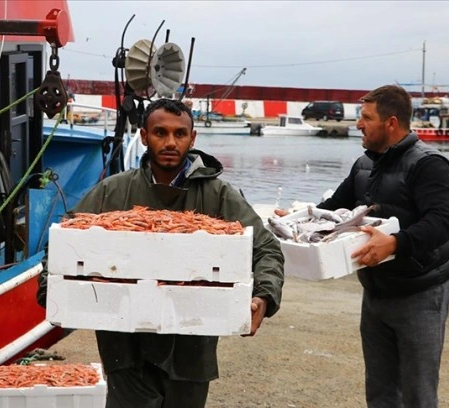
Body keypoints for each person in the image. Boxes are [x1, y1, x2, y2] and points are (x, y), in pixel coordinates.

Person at [43, 98, 284, 407]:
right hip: (124, 345)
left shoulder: (218, 194)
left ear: (192, 138)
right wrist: (55, 292)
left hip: (192, 345)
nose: (170, 142)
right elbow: (63, 239)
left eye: (180, 134)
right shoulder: (112, 190)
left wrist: (264, 295)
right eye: (160, 132)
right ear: (144, 136)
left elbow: (266, 248)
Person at [318, 85, 449, 408]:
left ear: (391, 123)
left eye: (366, 118)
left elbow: (440, 224)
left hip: (420, 294)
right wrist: (300, 219)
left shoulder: (430, 165)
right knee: (379, 393)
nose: (358, 125)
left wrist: (394, 244)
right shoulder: (364, 165)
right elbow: (334, 207)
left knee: (418, 396)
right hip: (377, 291)